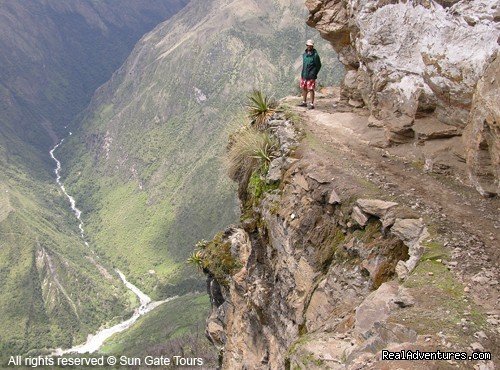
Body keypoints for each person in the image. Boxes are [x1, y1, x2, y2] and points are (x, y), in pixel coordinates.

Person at [298, 39, 321, 109]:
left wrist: (314, 73)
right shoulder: (304, 54)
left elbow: (319, 65)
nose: (309, 47)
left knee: (311, 89)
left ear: (312, 46)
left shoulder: (315, 56)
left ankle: (311, 104)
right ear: (306, 45)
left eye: (310, 46)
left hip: (311, 75)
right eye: (308, 45)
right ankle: (304, 102)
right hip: (304, 74)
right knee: (304, 88)